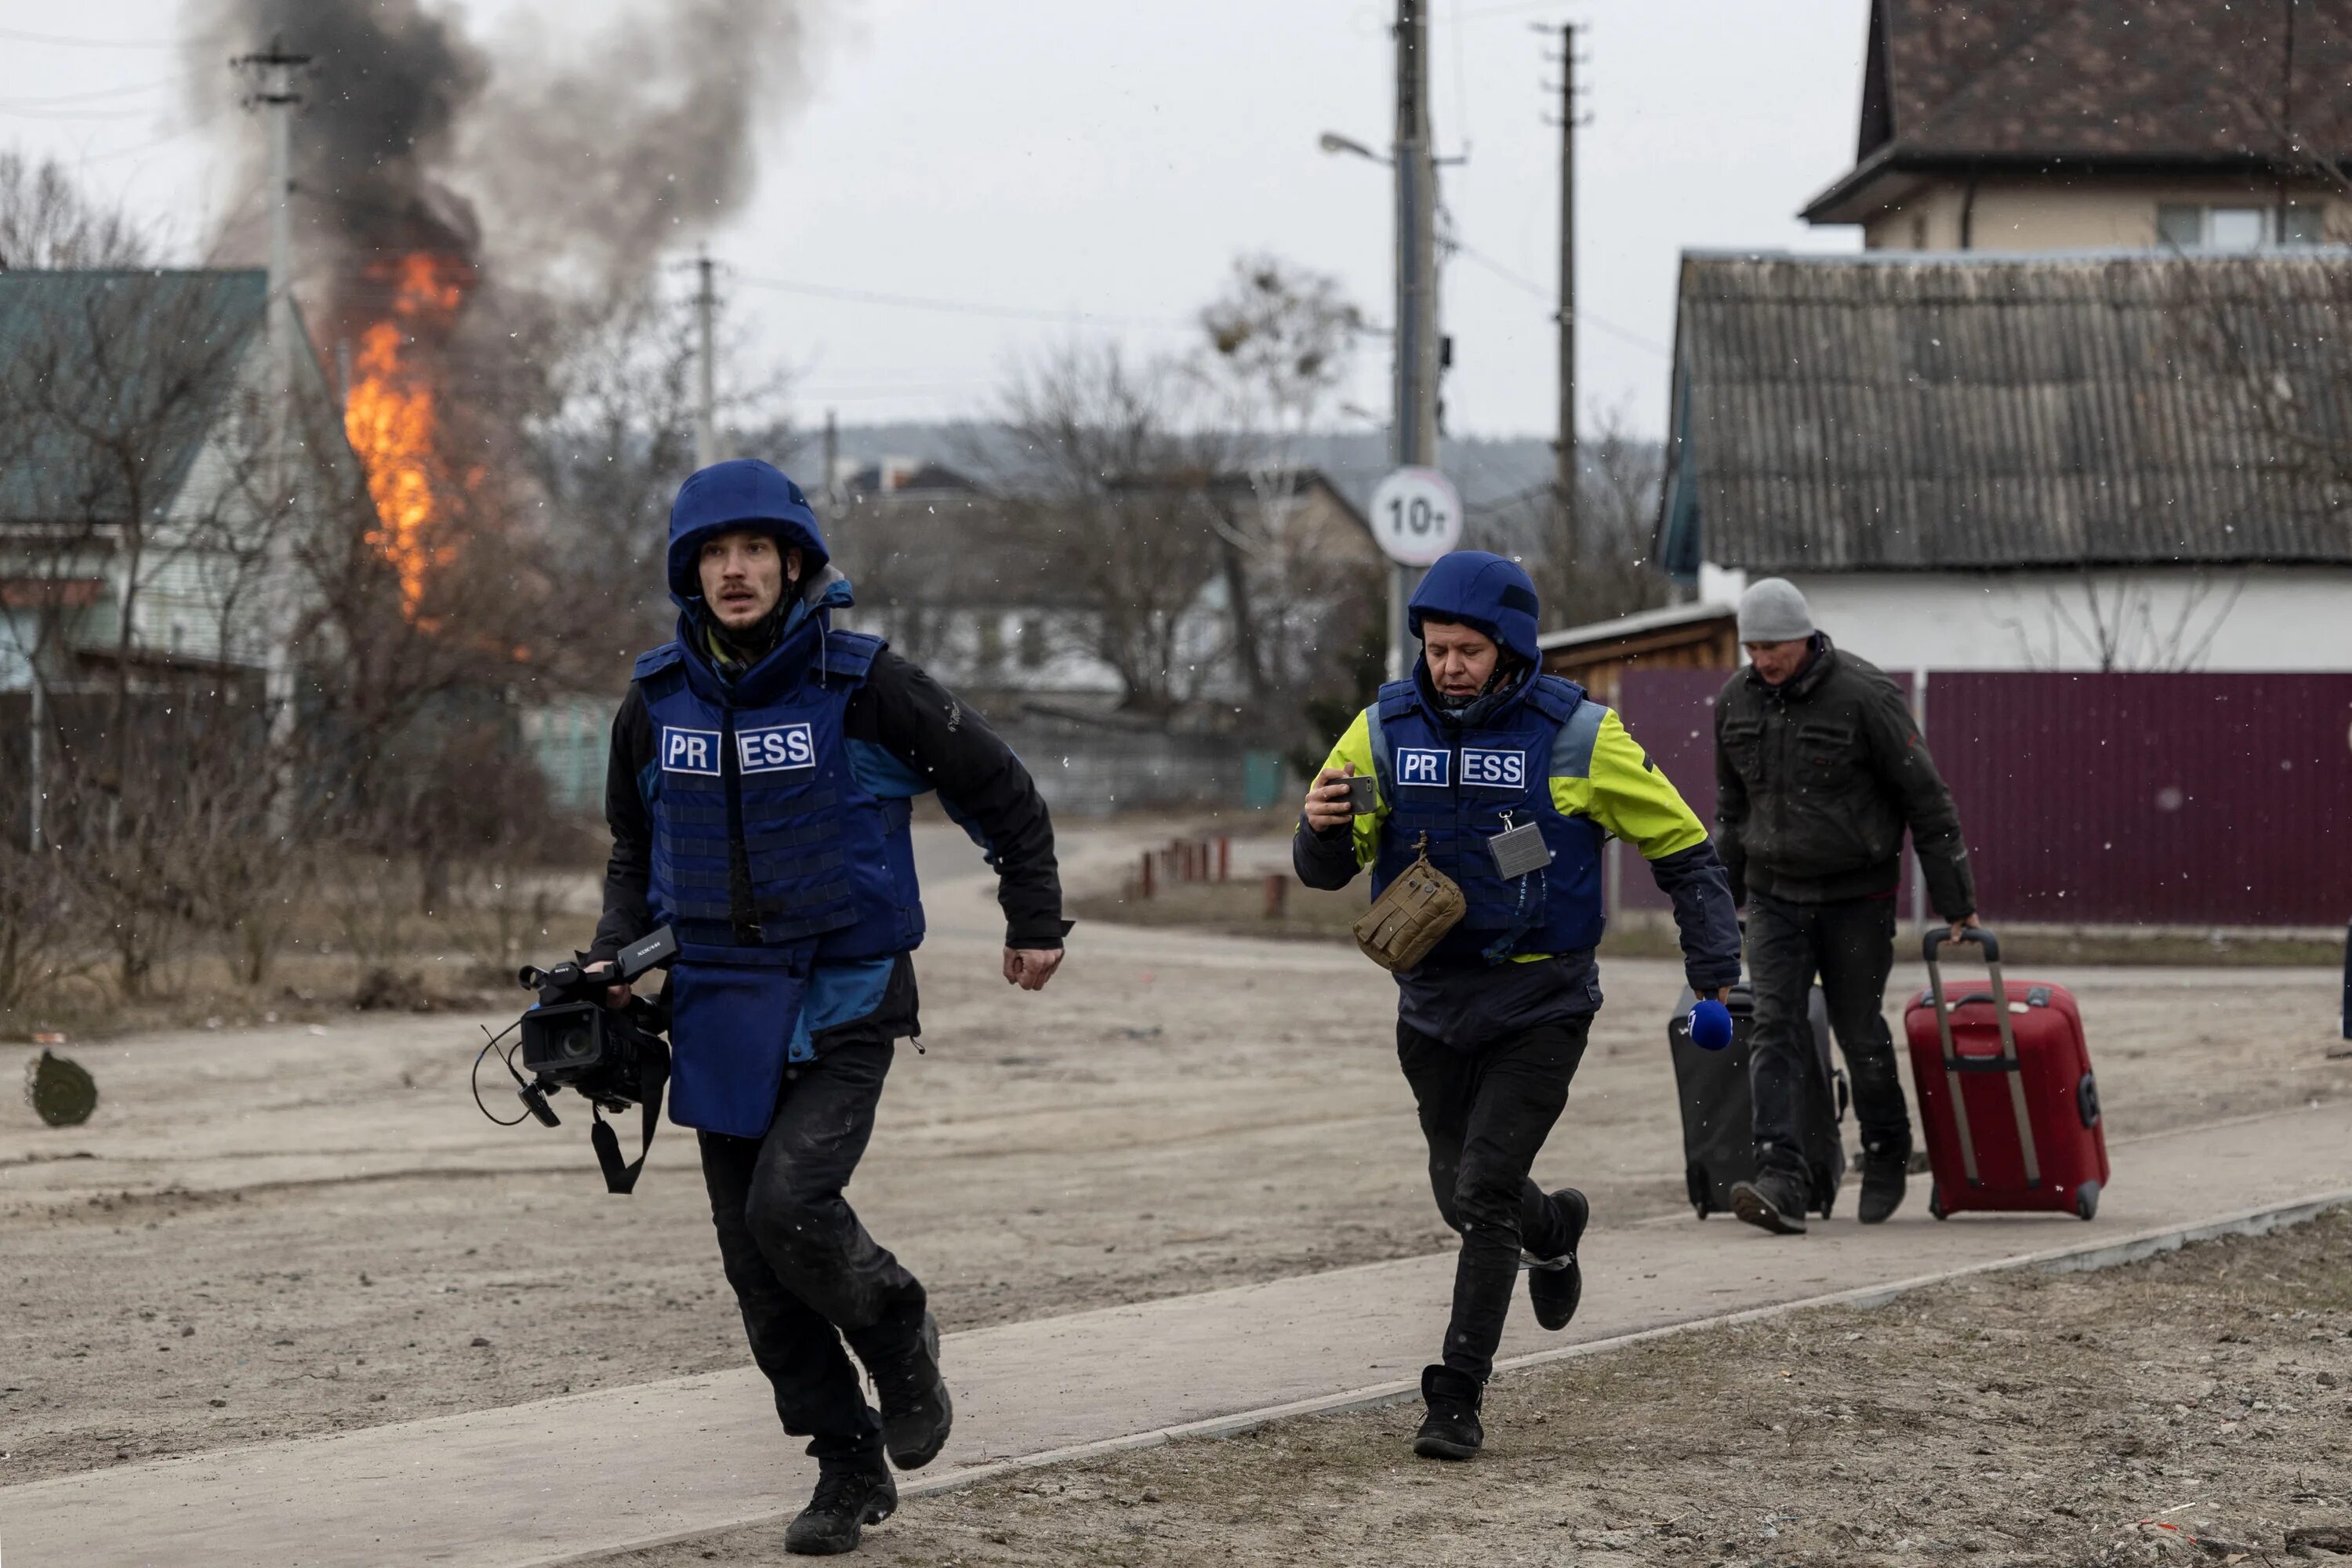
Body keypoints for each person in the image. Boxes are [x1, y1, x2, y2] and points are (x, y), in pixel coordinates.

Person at [584, 459, 1069, 1556]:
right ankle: (846, 1465)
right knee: (758, 1272)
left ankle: (898, 1325)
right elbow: (635, 848)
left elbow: (999, 789)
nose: (736, 570)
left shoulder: (867, 686)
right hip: (715, 1014)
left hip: (846, 1003)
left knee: (790, 1208)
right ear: (690, 573)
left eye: (756, 550)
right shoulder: (656, 701)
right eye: (715, 554)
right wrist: (612, 958)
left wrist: (1032, 916)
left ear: (795, 562)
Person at [1294, 550, 1741, 1463]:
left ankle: (1456, 1394)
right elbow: (1328, 867)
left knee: (1485, 1189)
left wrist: (1713, 973)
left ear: (1511, 646)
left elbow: (1686, 850)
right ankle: (1556, 1228)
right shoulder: (1381, 728)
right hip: (1430, 999)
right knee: (1462, 1196)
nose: (1448, 665)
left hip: (1543, 999)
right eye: (1436, 647)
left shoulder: (1579, 733)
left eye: (1467, 649)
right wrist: (1318, 826)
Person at [1713, 577, 1976, 1236]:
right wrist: (1719, 911)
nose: (1764, 660)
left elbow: (1930, 803)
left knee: (1859, 1033)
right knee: (1774, 1026)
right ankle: (1783, 1176)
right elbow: (1732, 811)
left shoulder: (1866, 696)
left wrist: (1957, 904)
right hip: (1775, 897)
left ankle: (1886, 1148)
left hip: (1857, 897)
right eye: (1753, 648)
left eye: (1774, 646)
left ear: (1804, 636)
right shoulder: (1734, 704)